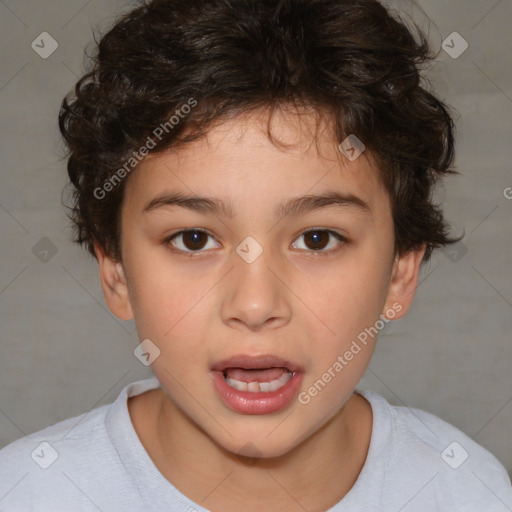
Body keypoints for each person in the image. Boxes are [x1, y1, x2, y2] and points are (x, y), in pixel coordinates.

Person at [1, 0, 511, 510]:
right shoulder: (27, 492)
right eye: (194, 239)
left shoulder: (463, 488)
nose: (254, 304)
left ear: (401, 270)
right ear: (115, 269)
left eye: (317, 239)